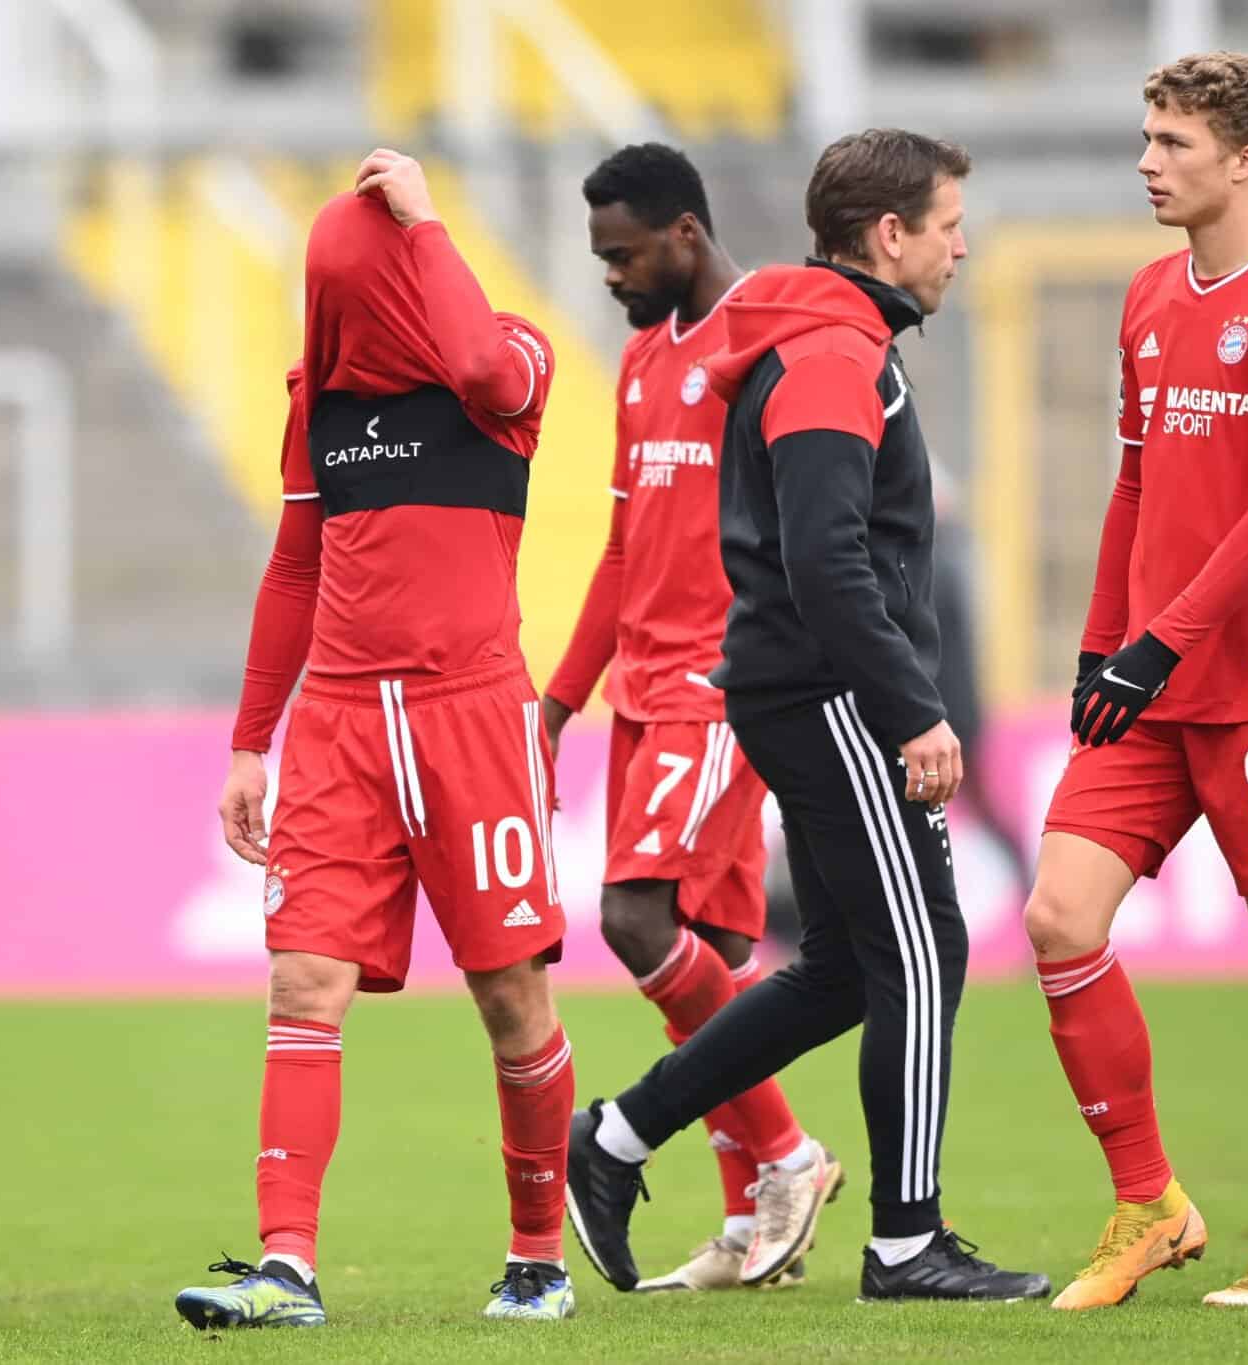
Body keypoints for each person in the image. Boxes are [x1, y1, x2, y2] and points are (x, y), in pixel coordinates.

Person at [563, 128, 1049, 1304]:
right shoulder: (832, 353)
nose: (959, 248)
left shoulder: (817, 338)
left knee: (841, 967)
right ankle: (905, 1244)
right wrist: (912, 712)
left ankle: (616, 1139)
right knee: (923, 955)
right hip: (833, 696)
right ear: (889, 236)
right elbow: (826, 561)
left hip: (795, 689)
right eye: (945, 226)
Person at [175, 149, 579, 1329]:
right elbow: (296, 565)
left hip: (472, 719)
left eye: (367, 271)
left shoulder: (513, 359)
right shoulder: (322, 402)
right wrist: (253, 741)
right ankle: (286, 1268)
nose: (342, 299)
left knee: (511, 999)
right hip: (343, 724)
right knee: (302, 982)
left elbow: (474, 363)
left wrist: (428, 219)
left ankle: (535, 1259)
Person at [1025, 53, 1248, 1311]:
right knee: (1059, 918)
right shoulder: (1146, 296)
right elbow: (1131, 483)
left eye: (1171, 143)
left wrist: (1158, 639)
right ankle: (1148, 1206)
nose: (1146, 162)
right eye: (1146, 138)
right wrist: (1097, 640)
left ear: (1245, 160)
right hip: (1147, 677)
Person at [541, 142, 838, 1293]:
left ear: (683, 233)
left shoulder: (762, 341)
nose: (610, 276)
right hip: (638, 691)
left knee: (631, 919)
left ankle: (786, 1157)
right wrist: (558, 696)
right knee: (705, 958)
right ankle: (748, 1227)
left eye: (621, 255)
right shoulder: (635, 360)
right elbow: (623, 546)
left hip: (716, 686)